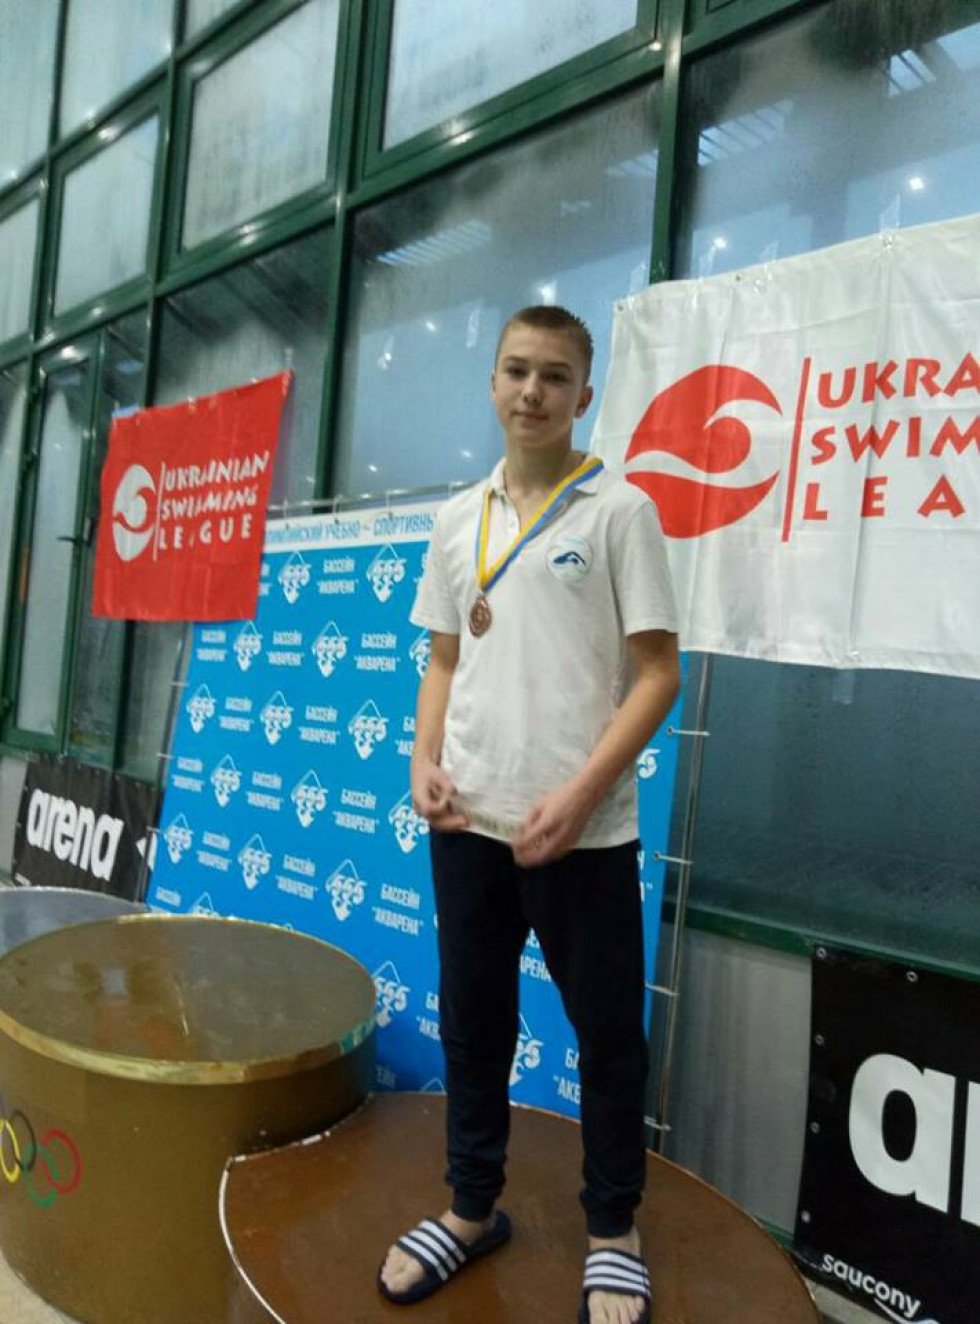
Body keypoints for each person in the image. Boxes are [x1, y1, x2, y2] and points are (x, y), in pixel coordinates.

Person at [378, 305, 680, 1324]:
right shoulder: (456, 518)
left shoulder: (618, 511)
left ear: (583, 395)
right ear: (492, 382)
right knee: (473, 1022)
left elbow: (658, 673)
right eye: (515, 370)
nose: (531, 391)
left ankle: (612, 1232)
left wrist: (582, 793)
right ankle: (470, 1210)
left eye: (554, 376)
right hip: (466, 824)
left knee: (607, 1036)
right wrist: (423, 759)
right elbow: (443, 656)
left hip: (580, 834)